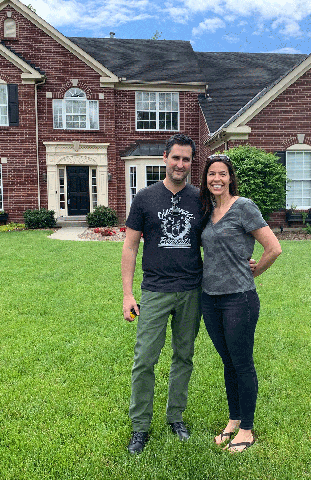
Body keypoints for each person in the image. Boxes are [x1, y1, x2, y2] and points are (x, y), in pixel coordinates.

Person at [121, 134, 203, 454]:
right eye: (175, 158)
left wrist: (241, 258)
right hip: (154, 290)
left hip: (190, 291)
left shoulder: (200, 199)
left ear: (190, 163)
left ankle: (175, 417)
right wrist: (128, 295)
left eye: (186, 159)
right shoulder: (145, 198)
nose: (180, 164)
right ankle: (140, 426)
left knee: (184, 356)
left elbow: (216, 237)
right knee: (144, 360)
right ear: (165, 158)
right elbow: (129, 246)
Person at [199, 154, 282, 453]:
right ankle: (234, 419)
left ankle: (246, 428)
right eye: (211, 174)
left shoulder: (244, 207)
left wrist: (255, 270)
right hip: (210, 299)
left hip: (239, 299)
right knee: (228, 361)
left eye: (222, 174)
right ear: (205, 179)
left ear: (230, 178)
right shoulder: (207, 211)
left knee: (242, 362)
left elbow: (273, 248)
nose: (216, 179)